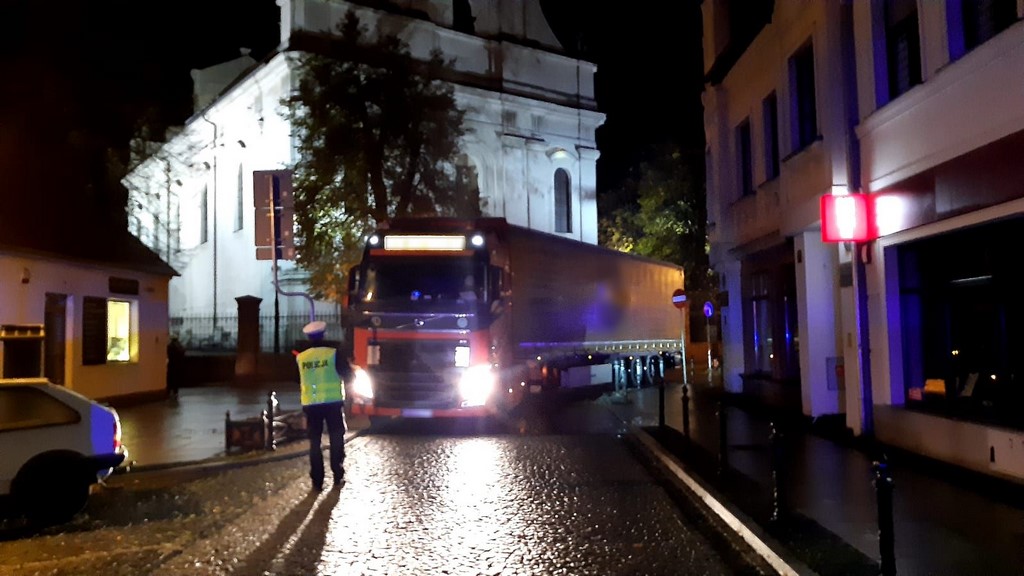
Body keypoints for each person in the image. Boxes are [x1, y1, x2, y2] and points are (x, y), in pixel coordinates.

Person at [295, 320, 349, 491]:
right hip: (332, 403)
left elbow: (296, 378)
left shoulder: (301, 357)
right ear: (323, 335)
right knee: (336, 437)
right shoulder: (333, 353)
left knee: (314, 442)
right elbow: (347, 374)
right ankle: (337, 474)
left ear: (308, 337)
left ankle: (317, 480)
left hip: (311, 405)